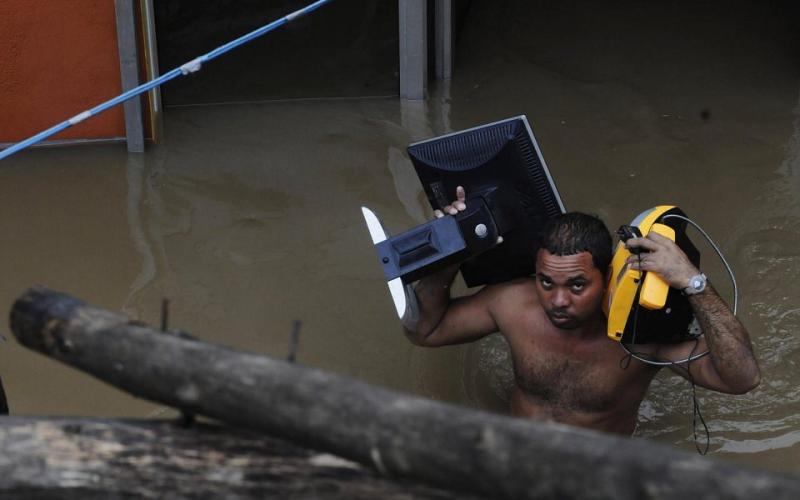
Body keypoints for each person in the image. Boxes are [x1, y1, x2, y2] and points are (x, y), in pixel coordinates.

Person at [403, 187, 760, 435]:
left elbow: (741, 379)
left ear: (607, 279)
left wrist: (692, 281)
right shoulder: (511, 303)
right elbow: (424, 331)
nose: (558, 301)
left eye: (577, 285)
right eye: (546, 283)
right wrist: (447, 260)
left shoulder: (641, 339)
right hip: (515, 454)